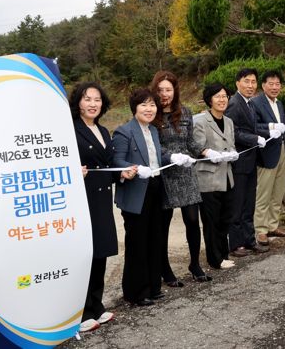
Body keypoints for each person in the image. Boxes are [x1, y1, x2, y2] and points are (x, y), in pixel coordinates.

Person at [71, 82, 126, 332]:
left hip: (103, 197)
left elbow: (108, 164)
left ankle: (97, 305)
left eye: (97, 99)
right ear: (78, 103)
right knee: (84, 254)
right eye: (87, 99)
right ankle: (81, 312)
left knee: (100, 251)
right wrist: (72, 172)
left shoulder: (104, 131)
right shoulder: (70, 129)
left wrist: (123, 173)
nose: (93, 104)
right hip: (81, 199)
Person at [150, 70, 209, 285]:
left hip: (186, 172)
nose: (165, 94)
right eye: (160, 90)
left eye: (168, 89)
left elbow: (190, 143)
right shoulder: (151, 114)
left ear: (175, 91)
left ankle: (195, 264)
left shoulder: (185, 112)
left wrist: (206, 152)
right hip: (165, 173)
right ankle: (165, 269)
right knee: (163, 224)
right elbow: (153, 148)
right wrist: (170, 156)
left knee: (193, 220)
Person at [112, 89, 162, 307]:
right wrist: (135, 168)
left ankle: (153, 286)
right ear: (134, 108)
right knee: (137, 243)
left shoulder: (154, 130)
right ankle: (135, 292)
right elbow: (117, 161)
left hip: (155, 187)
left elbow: (156, 156)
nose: (149, 109)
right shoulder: (124, 131)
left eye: (152, 105)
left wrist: (174, 157)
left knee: (154, 239)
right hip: (135, 192)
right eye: (144, 105)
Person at [253, 70, 285, 247]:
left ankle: (272, 225)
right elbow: (252, 126)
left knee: (277, 192)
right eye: (271, 84)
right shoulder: (256, 103)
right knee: (263, 193)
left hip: (282, 151)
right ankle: (260, 229)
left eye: (278, 84)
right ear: (263, 85)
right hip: (266, 154)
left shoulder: (279, 103)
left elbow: (283, 125)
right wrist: (270, 127)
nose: (275, 87)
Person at [193, 83, 239, 270]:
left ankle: (223, 254)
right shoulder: (200, 121)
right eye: (217, 96)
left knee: (225, 218)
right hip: (208, 179)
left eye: (225, 96)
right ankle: (215, 259)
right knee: (211, 221)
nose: (222, 100)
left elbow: (232, 144)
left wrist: (233, 153)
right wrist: (211, 153)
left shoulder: (228, 121)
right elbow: (197, 147)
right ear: (209, 99)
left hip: (227, 177)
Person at [225, 68, 267, 257]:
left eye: (253, 82)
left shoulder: (249, 103)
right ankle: (235, 244)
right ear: (237, 83)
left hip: (250, 161)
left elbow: (252, 126)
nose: (250, 85)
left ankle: (249, 240)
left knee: (249, 204)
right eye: (246, 81)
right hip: (239, 162)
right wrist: (254, 139)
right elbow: (233, 132)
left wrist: (267, 131)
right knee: (238, 204)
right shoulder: (234, 103)